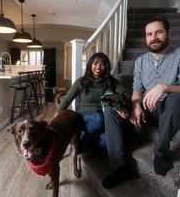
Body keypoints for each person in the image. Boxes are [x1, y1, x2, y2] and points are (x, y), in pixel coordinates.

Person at [55, 52, 133, 188]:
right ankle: (83, 144)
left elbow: (125, 93)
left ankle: (85, 143)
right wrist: (57, 115)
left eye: (102, 64)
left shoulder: (110, 81)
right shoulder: (81, 81)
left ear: (106, 66)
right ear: (90, 65)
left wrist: (132, 98)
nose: (99, 67)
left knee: (106, 142)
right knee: (98, 118)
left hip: (103, 119)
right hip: (83, 117)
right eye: (95, 63)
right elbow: (67, 99)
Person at [130, 17, 180, 176]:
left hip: (171, 109)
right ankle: (119, 161)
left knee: (177, 99)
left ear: (168, 33)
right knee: (111, 109)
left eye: (159, 32)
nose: (153, 37)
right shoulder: (140, 61)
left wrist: (163, 87)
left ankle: (160, 152)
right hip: (147, 111)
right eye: (149, 34)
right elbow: (137, 89)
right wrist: (136, 106)